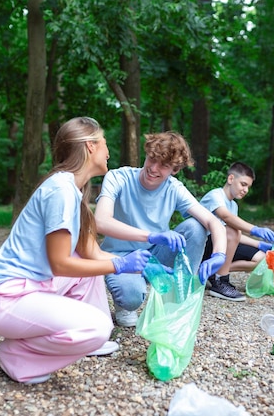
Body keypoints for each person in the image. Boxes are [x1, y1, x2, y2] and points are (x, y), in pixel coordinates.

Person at [0, 117, 152, 384]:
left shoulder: (72, 190)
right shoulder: (60, 191)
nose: (109, 151)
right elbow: (60, 264)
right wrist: (119, 265)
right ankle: (17, 355)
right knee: (98, 327)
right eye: (105, 143)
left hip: (32, 289)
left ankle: (88, 342)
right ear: (91, 146)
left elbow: (93, 255)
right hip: (8, 300)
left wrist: (139, 264)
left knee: (87, 265)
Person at [95, 131, 227, 327]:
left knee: (195, 227)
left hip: (155, 256)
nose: (153, 168)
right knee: (131, 298)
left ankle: (176, 301)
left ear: (174, 169)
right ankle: (125, 303)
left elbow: (213, 222)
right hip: (120, 257)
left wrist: (219, 255)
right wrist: (152, 236)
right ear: (147, 153)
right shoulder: (119, 177)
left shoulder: (174, 188)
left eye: (164, 165)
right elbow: (101, 221)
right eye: (152, 159)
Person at [200, 162, 274, 301]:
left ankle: (213, 273)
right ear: (231, 179)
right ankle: (220, 282)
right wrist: (255, 229)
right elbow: (226, 217)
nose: (246, 190)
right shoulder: (215, 195)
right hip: (204, 248)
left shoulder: (233, 205)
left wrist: (259, 244)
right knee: (232, 229)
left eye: (248, 187)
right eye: (243, 184)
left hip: (220, 247)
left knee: (261, 258)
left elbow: (235, 237)